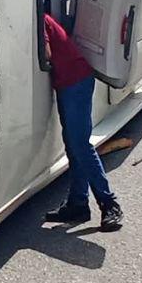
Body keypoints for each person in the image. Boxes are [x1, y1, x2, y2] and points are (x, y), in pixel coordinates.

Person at [41, 12, 124, 231]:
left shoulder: (37, 20)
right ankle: (78, 204)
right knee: (72, 144)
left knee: (80, 145)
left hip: (75, 82)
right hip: (69, 82)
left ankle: (109, 204)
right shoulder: (42, 18)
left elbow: (46, 53)